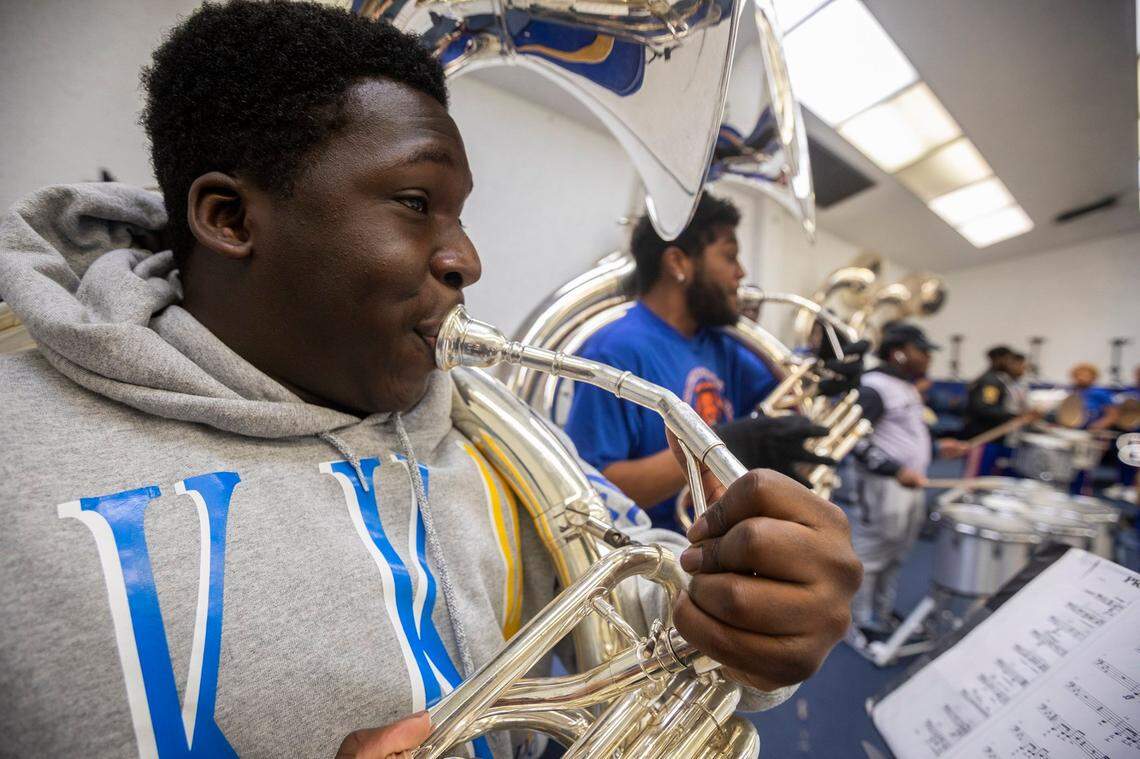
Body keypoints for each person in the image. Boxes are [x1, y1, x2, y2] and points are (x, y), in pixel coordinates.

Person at [0, 3, 863, 757]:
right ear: (230, 218)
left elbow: (657, 604)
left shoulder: (490, 431)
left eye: (461, 213)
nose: (469, 259)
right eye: (416, 203)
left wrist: (760, 613)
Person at [563, 194, 864, 532]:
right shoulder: (614, 349)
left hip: (727, 539)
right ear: (678, 263)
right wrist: (717, 446)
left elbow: (789, 403)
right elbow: (596, 489)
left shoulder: (722, 343)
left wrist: (827, 370)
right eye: (730, 257)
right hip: (657, 554)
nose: (741, 273)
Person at [847, 323, 967, 637]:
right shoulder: (873, 386)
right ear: (898, 352)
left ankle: (880, 613)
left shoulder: (908, 386)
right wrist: (895, 470)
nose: (928, 357)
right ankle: (855, 621)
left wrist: (939, 448)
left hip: (910, 483)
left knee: (897, 553)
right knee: (871, 554)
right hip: (883, 485)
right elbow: (854, 441)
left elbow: (903, 436)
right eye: (922, 351)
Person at [962, 346, 1032, 476]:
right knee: (975, 477)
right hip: (983, 437)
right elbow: (984, 408)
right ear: (999, 359)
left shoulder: (999, 380)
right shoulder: (991, 381)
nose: (1011, 363)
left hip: (992, 438)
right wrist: (1014, 416)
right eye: (1009, 359)